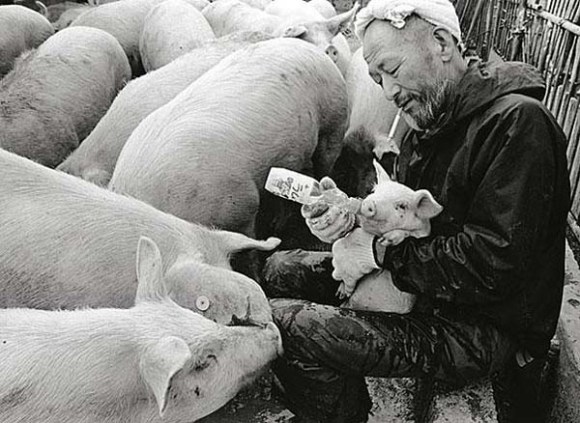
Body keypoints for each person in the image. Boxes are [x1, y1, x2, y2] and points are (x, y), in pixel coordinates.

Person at [260, 0, 571, 422]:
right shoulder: (428, 121)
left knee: (289, 325)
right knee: (277, 267)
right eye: (377, 78)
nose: (388, 91)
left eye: (391, 69)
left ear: (441, 43)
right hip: (422, 288)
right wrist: (350, 217)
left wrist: (381, 253)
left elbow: (491, 264)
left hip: (484, 328)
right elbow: (403, 217)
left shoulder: (518, 125)